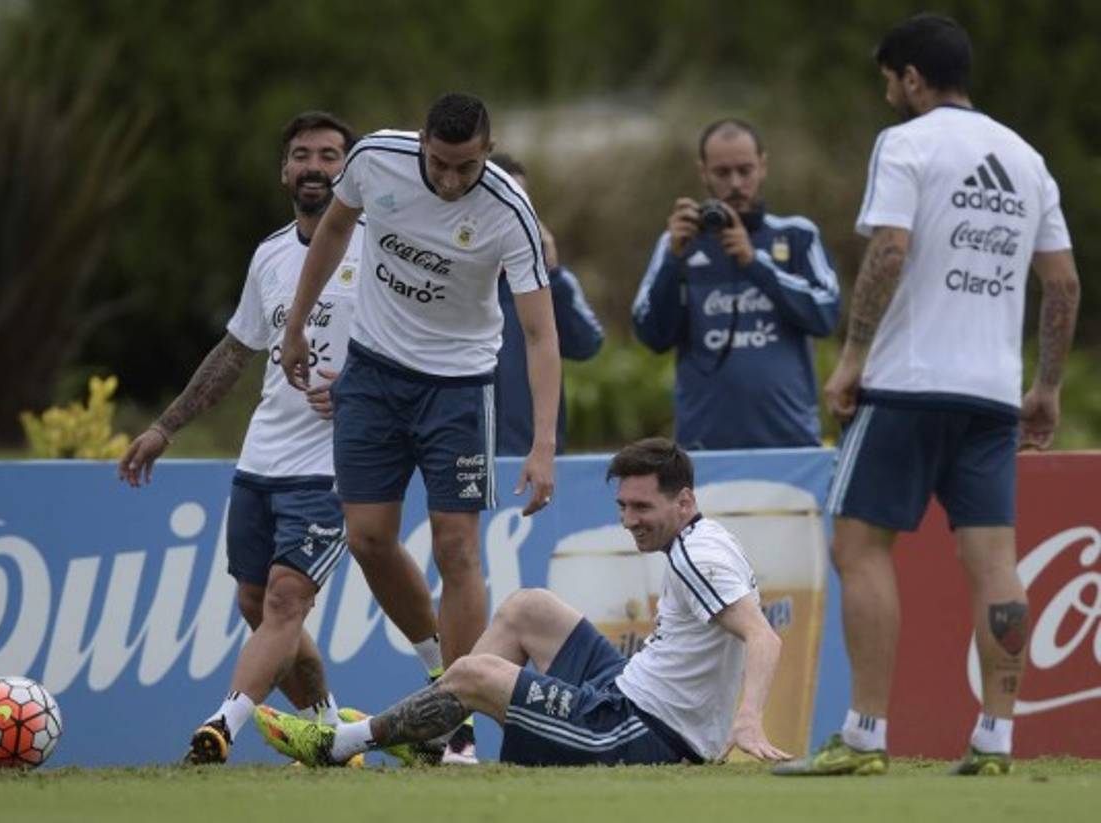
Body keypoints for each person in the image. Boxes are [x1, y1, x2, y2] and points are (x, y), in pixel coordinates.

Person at [775, 14, 1079, 778]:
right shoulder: (1027, 157)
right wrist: (1045, 385)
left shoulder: (906, 144)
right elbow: (1063, 281)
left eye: (889, 81)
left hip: (909, 384)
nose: (888, 95)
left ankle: (866, 734)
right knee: (995, 564)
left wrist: (850, 359)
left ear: (912, 78)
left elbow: (890, 249)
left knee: (859, 546)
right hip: (992, 394)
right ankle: (998, 740)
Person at [278, 92, 561, 763]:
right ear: (424, 145)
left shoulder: (508, 213)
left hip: (459, 389)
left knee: (456, 547)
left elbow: (540, 332)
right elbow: (337, 231)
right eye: (440, 164)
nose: (451, 179)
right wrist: (295, 323)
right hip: (373, 373)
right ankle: (443, 670)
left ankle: (457, 722)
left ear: (485, 153)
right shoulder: (377, 157)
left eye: (466, 167)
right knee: (368, 537)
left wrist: (544, 443)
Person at [255, 437, 790, 767]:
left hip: (640, 734)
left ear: (685, 501)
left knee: (471, 676)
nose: (628, 521)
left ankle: (338, 745)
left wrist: (748, 720)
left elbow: (762, 636)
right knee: (528, 606)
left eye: (641, 507)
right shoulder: (701, 537)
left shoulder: (700, 558)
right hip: (626, 690)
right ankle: (439, 737)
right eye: (622, 506)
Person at [117, 111, 365, 764]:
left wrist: (358, 389)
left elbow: (419, 348)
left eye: (330, 155)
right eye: (302, 155)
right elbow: (235, 352)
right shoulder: (270, 255)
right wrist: (164, 426)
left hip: (338, 463)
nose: (316, 167)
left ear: (352, 167)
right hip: (262, 458)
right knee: (259, 606)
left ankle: (222, 724)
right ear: (285, 171)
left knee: (287, 598)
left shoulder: (381, 249)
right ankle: (331, 729)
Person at [631, 119, 840, 450]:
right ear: (703, 173)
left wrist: (754, 263)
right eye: (722, 173)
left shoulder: (797, 234)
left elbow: (826, 316)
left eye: (746, 170)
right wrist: (673, 260)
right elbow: (652, 334)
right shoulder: (677, 244)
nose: (736, 184)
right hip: (703, 449)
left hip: (790, 445)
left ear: (764, 166)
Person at [489, 153, 604, 456]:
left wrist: (552, 272)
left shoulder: (546, 281)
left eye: (522, 202)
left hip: (531, 462)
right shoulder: (449, 274)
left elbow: (587, 345)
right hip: (461, 462)